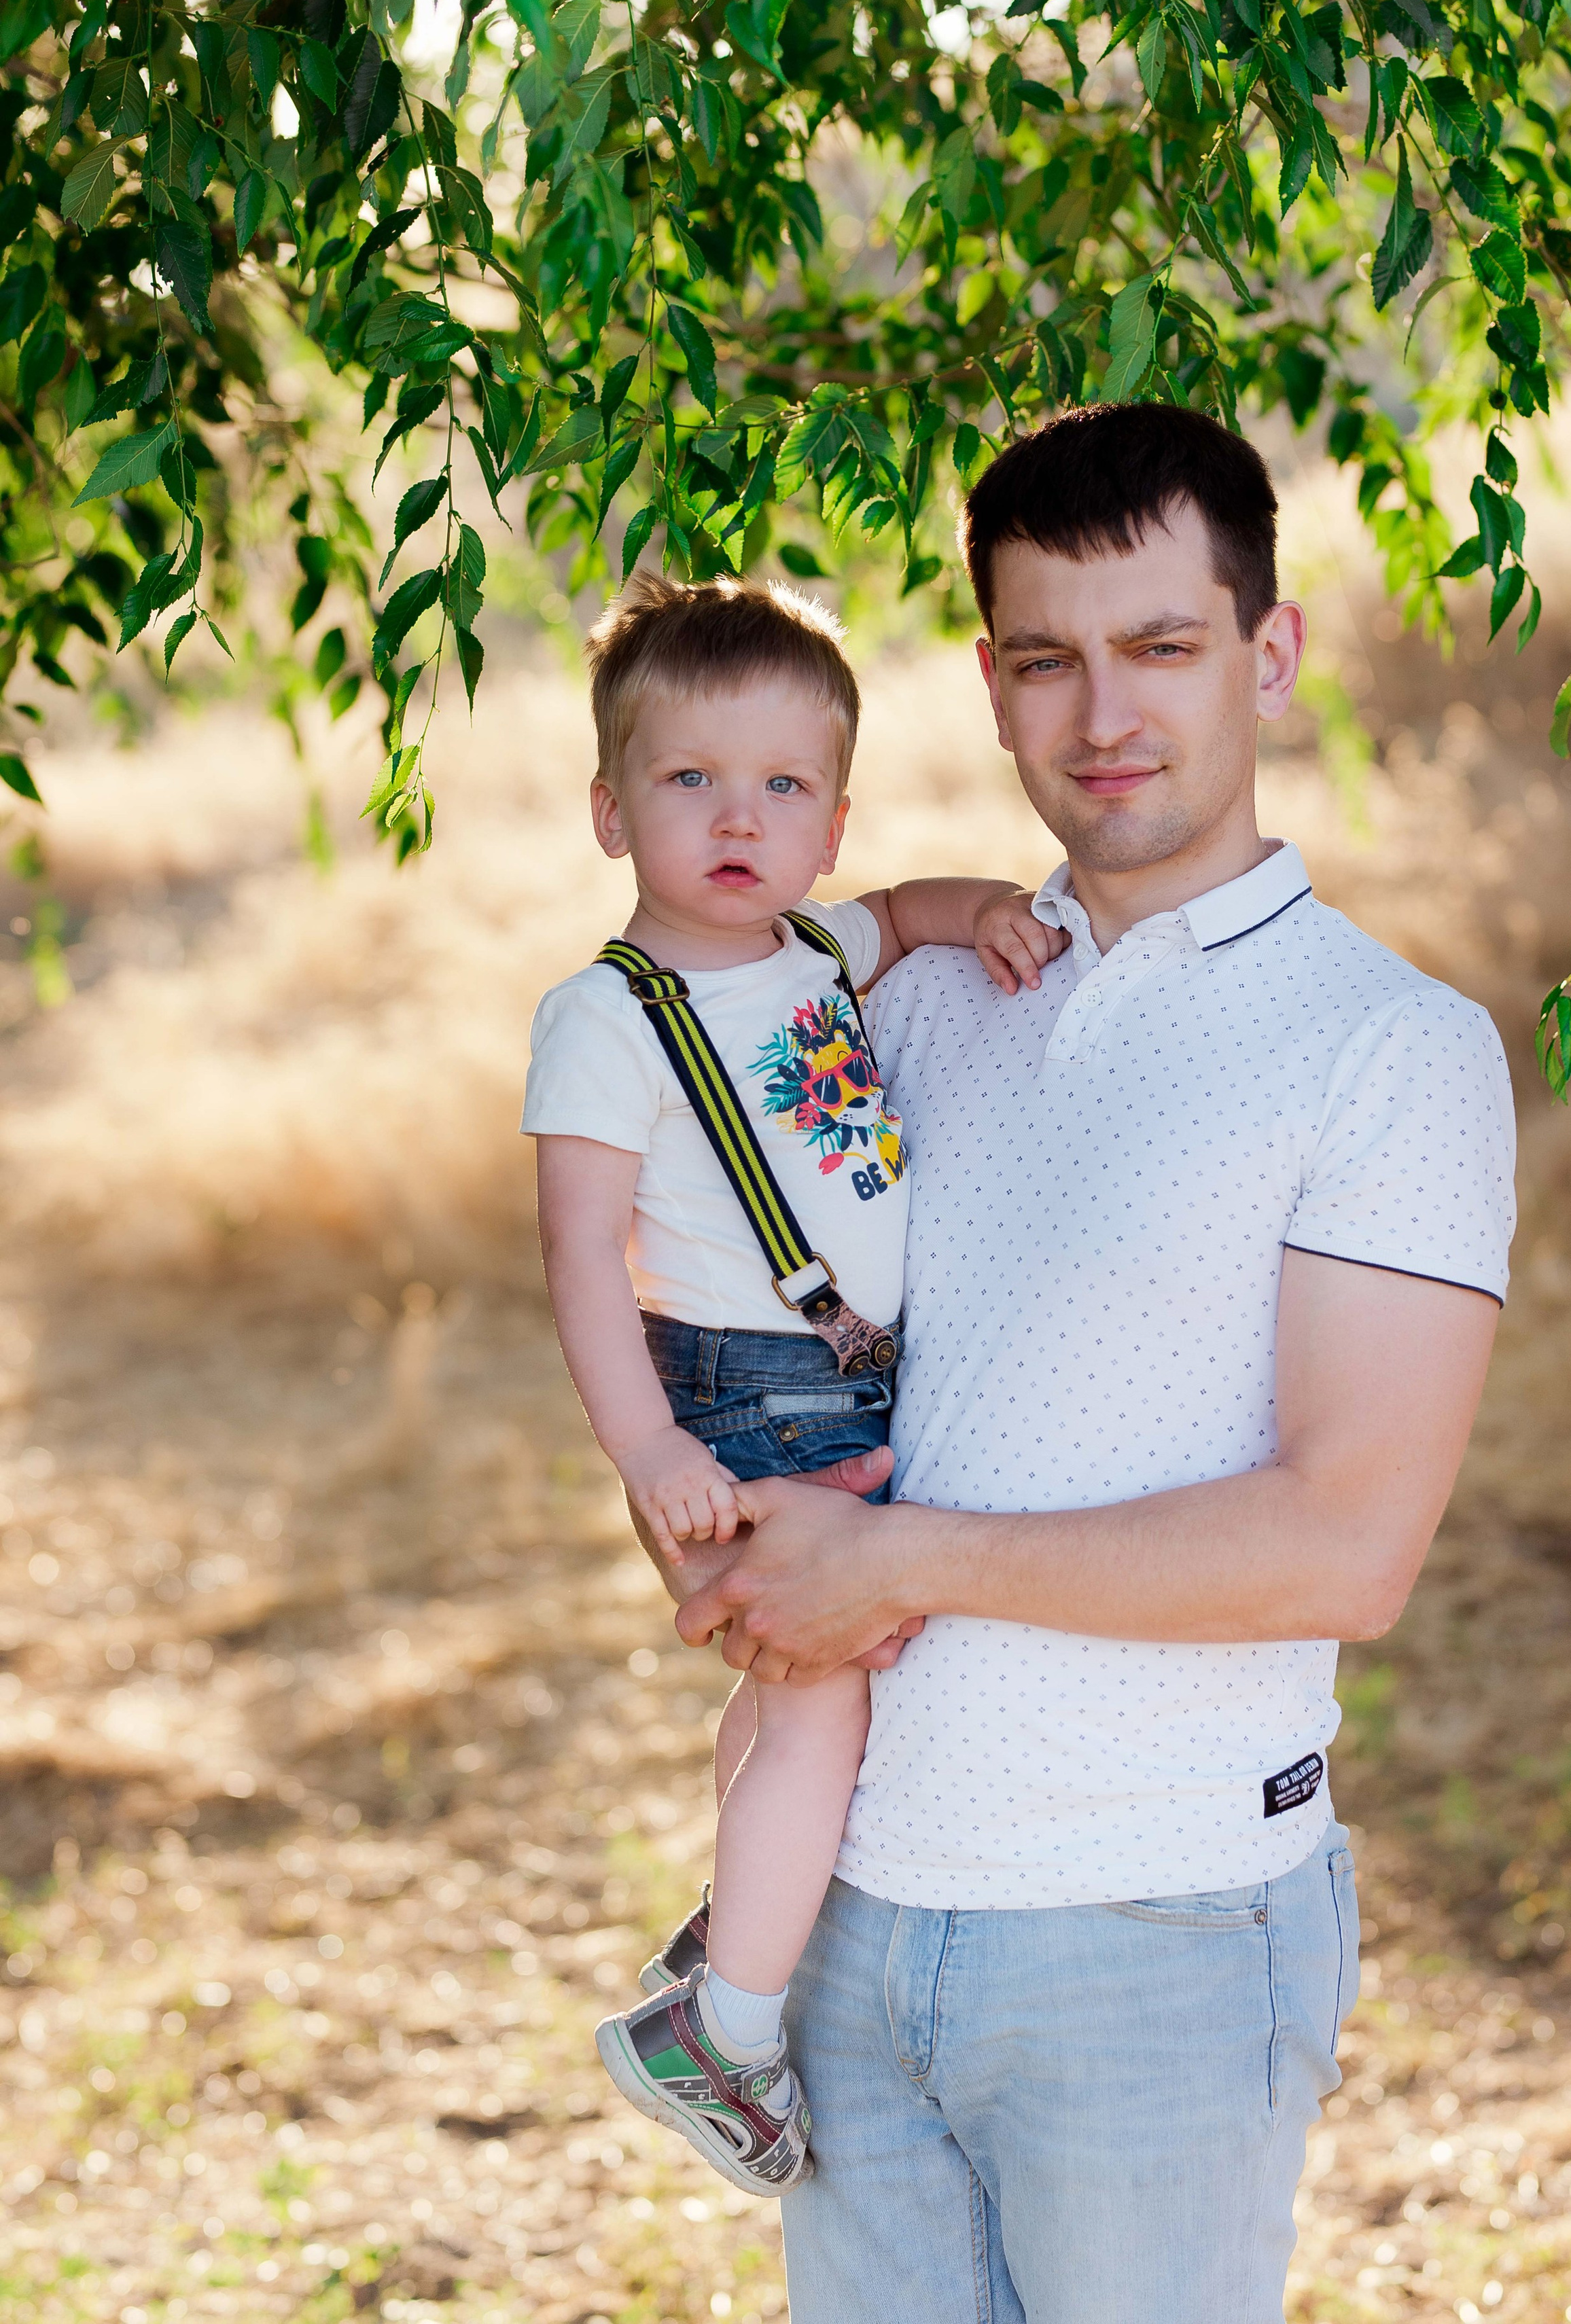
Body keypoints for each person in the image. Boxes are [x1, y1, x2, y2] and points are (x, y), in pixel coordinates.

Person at [675, 402, 1518, 2321]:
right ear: (987, 681)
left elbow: (1345, 1548)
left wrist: (900, 1564)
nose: (1103, 714)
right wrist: (723, 1525)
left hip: (1159, 1930)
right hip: (861, 1920)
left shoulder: (1387, 1049)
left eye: (1162, 646)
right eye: (1047, 658)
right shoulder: (911, 996)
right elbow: (723, 1270)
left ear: (1270, 654)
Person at [522, 570, 1065, 2196]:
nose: (737, 817)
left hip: (843, 1383)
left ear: (829, 820)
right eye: (690, 781)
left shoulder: (817, 937)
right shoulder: (605, 1017)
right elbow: (578, 1262)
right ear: (612, 811)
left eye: (782, 785)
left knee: (786, 1693)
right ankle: (727, 2028)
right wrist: (647, 1450)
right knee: (823, 1687)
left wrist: (977, 910)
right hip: (751, 1397)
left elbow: (906, 912)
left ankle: (728, 1934)